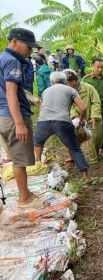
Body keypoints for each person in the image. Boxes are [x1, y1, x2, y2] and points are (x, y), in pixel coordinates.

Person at [0, 28, 47, 208]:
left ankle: (25, 193)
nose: (30, 51)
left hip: (3, 116)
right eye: (28, 46)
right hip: (13, 117)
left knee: (15, 157)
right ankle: (24, 199)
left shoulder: (2, 58)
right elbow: (11, 94)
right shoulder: (12, 62)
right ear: (14, 42)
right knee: (20, 159)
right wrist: (19, 123)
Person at [34, 71, 91, 182]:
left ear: (52, 82)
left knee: (38, 142)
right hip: (62, 122)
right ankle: (86, 176)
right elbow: (83, 108)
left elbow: (41, 112)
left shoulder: (45, 91)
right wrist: (80, 121)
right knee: (74, 148)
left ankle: (38, 165)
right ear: (65, 81)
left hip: (43, 122)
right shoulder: (71, 90)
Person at [63, 68, 103, 164]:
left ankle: (94, 160)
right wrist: (75, 116)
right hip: (76, 118)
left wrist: (94, 116)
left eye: (66, 82)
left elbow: (96, 103)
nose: (64, 85)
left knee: (94, 139)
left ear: (73, 81)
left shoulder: (89, 88)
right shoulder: (66, 91)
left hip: (92, 118)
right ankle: (74, 158)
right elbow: (68, 106)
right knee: (73, 137)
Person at [82, 57, 103, 155]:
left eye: (102, 67)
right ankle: (94, 150)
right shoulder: (86, 80)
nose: (100, 70)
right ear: (92, 66)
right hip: (93, 108)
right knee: (95, 129)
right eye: (97, 67)